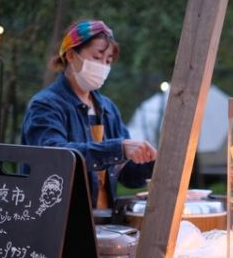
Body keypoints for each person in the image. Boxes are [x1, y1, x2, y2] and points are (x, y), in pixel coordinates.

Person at [22, 20, 156, 211]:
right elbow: (54, 157)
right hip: (57, 220)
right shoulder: (45, 105)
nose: (103, 66)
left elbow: (128, 175)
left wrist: (153, 162)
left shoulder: (108, 109)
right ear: (70, 54)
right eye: (96, 57)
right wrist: (118, 148)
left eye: (108, 61)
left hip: (105, 223)